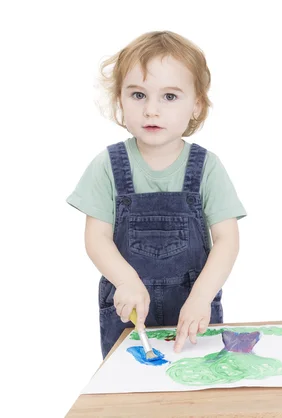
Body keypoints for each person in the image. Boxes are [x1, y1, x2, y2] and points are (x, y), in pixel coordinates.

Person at [67, 31, 246, 358]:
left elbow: (227, 240)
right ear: (119, 99)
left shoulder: (207, 168)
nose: (152, 110)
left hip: (193, 314)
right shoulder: (106, 166)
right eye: (138, 95)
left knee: (197, 393)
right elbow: (97, 239)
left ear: (196, 105)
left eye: (169, 96)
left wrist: (201, 296)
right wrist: (126, 280)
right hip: (128, 311)